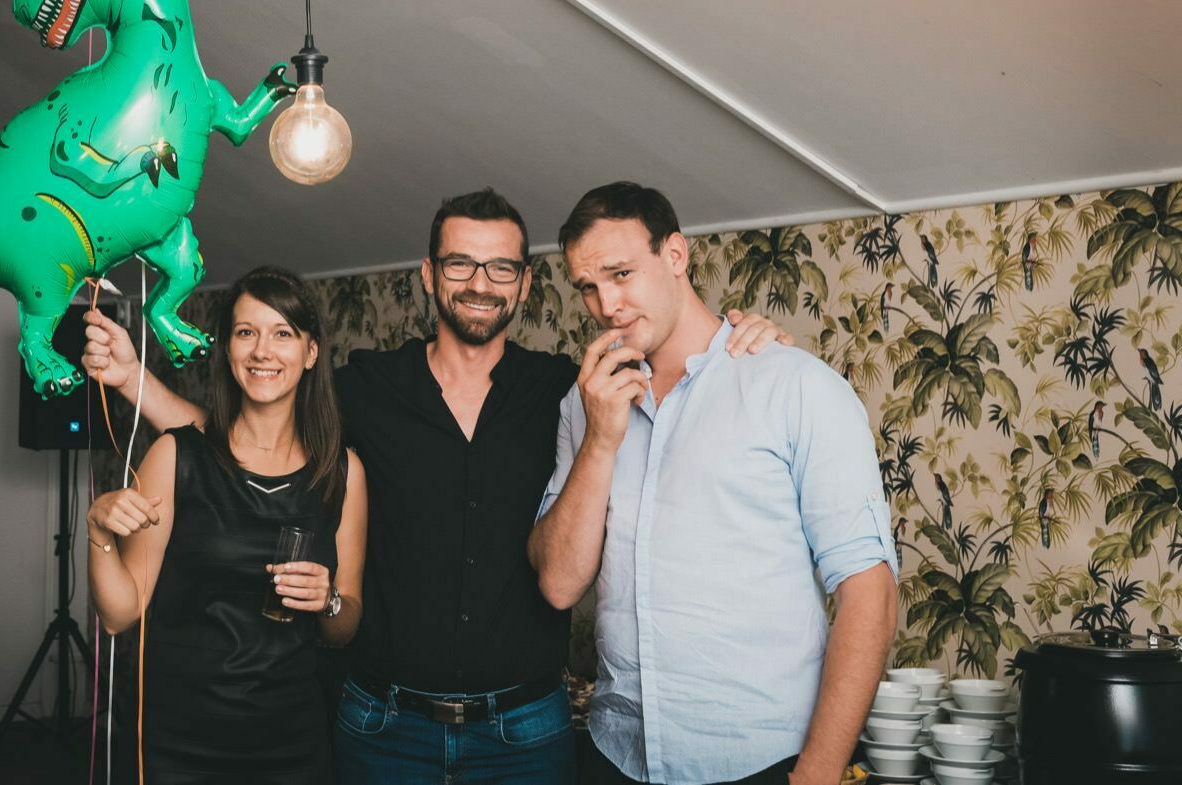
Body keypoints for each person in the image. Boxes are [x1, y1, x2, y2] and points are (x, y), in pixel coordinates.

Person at [86, 189, 789, 784]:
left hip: (528, 732)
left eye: (501, 265)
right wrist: (132, 381)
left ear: (523, 282)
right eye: (460, 262)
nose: (479, 281)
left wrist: (743, 341)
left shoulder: (565, 392)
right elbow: (244, 447)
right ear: (429, 273)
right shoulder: (367, 386)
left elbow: (670, 356)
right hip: (383, 725)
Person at [530, 183, 897, 785]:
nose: (607, 305)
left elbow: (869, 593)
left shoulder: (794, 387)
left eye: (622, 274)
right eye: (588, 288)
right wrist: (599, 440)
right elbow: (559, 584)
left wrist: (819, 773)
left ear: (676, 255)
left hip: (760, 762)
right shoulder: (585, 401)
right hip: (615, 755)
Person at [85, 266, 366, 785]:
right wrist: (99, 535)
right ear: (229, 351)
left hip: (292, 744)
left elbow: (343, 627)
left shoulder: (343, 472)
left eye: (283, 333)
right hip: (180, 741)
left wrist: (326, 599)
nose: (263, 350)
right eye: (246, 332)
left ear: (310, 353)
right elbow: (119, 615)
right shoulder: (176, 457)